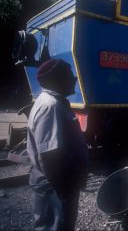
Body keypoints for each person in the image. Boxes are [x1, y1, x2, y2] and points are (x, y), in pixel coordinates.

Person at [27, 59, 88, 230]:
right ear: (58, 80)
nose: (74, 80)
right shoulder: (50, 106)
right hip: (54, 186)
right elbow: (49, 155)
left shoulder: (51, 102)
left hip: (55, 184)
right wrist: (62, 189)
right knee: (56, 226)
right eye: (70, 76)